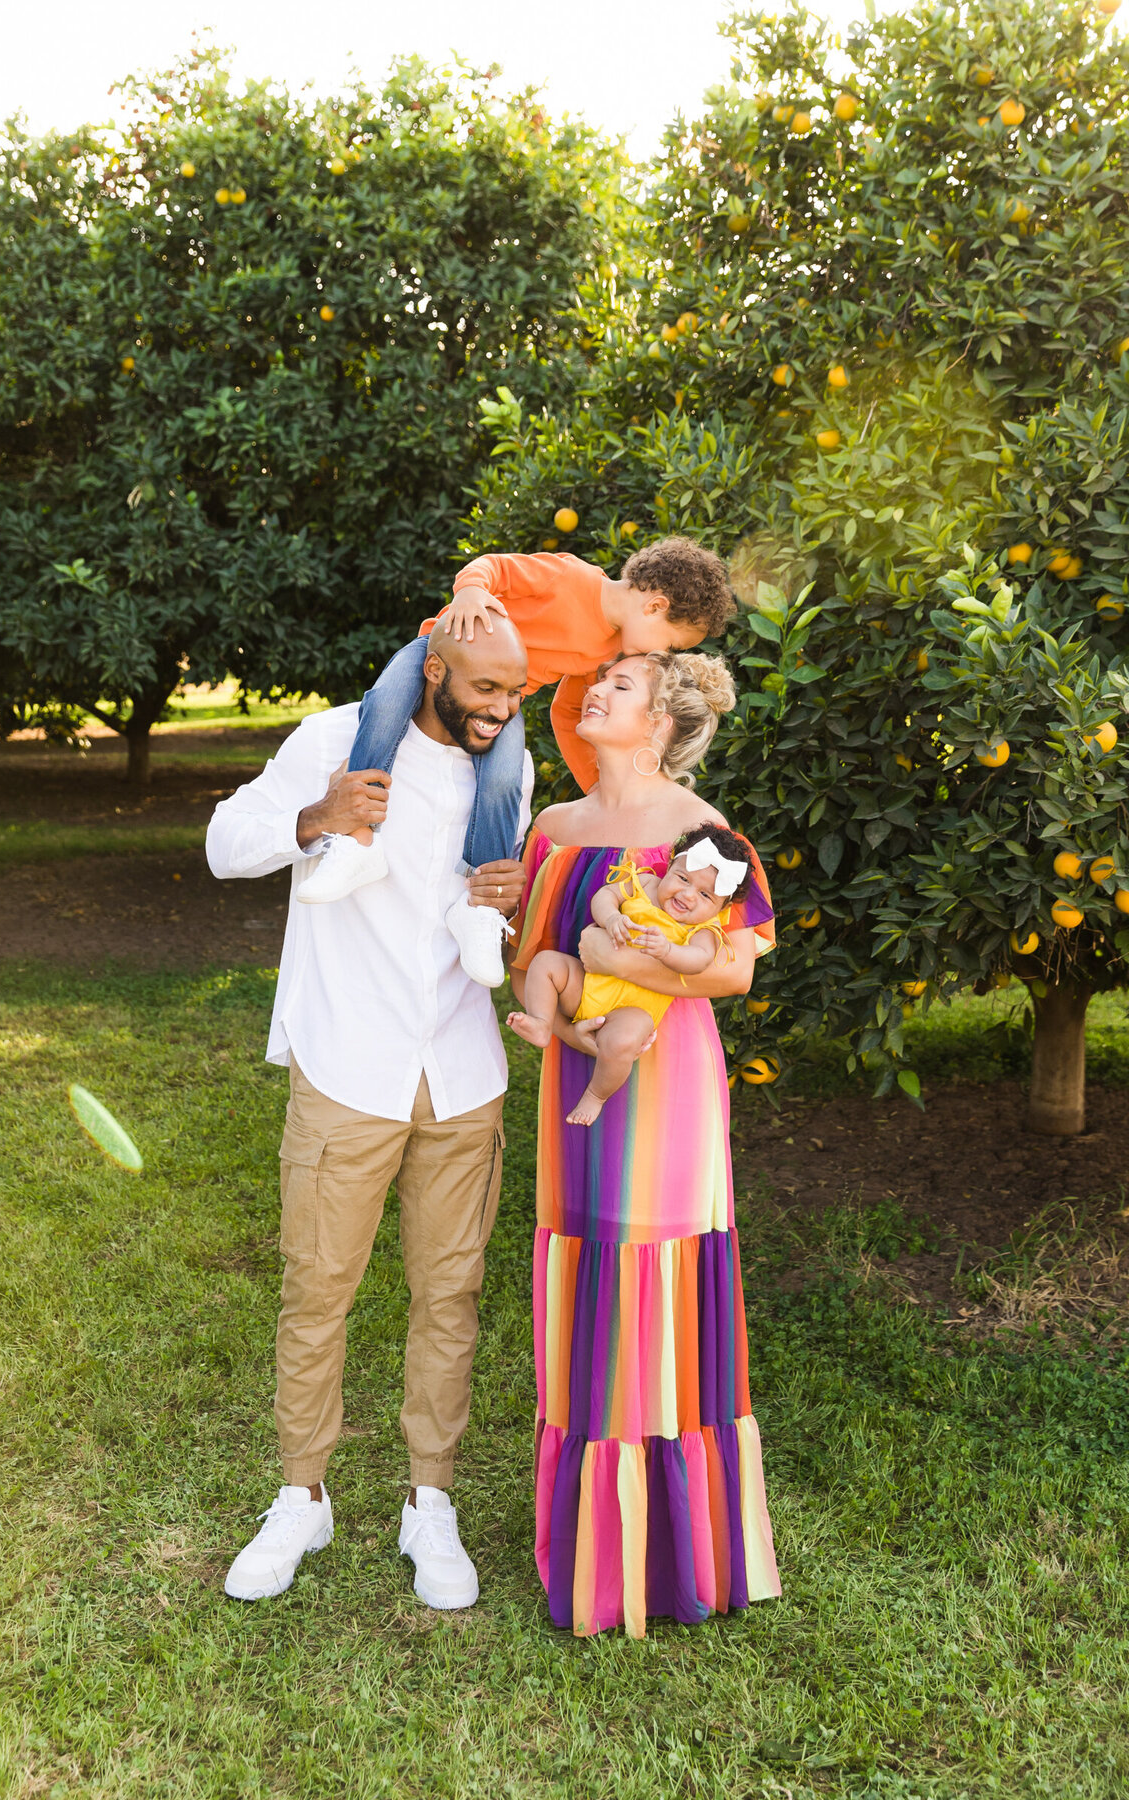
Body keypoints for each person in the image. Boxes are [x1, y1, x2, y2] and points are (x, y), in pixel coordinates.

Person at [205, 615, 533, 1610]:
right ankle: (301, 1493)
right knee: (318, 1290)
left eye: (516, 694)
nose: (501, 710)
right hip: (348, 1065)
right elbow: (225, 844)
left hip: (462, 1073)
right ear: (434, 671)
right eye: (484, 688)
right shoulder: (335, 739)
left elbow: (494, 929)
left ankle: (427, 1503)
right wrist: (315, 818)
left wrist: (507, 903)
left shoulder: (509, 776)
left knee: (450, 1300)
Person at [508, 648, 782, 1638]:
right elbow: (528, 958)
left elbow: (737, 975)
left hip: (669, 1082)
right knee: (586, 1278)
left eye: (619, 686)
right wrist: (567, 1002)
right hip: (575, 1068)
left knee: (656, 1274)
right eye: (597, 683)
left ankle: (673, 1550)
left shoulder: (703, 834)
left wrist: (629, 965)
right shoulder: (554, 830)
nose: (594, 693)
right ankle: (592, 1542)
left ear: (662, 721)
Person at [297, 539, 736, 990]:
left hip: (503, 701)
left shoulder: (602, 653)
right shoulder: (572, 578)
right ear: (655, 606)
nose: (661, 654)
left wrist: (598, 792)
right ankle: (357, 842)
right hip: (440, 650)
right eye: (670, 641)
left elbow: (568, 714)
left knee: (504, 779)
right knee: (385, 707)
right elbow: (494, 568)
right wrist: (469, 592)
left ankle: (479, 910)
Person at [507, 825, 755, 1126]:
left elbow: (699, 961)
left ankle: (596, 1095)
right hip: (587, 984)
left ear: (721, 907)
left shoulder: (703, 930)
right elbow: (605, 895)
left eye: (705, 895)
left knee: (624, 1041)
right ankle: (541, 1022)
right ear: (672, 864)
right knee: (545, 963)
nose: (688, 895)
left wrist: (667, 952)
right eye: (682, 878)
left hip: (632, 1009)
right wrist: (611, 917)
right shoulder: (646, 884)